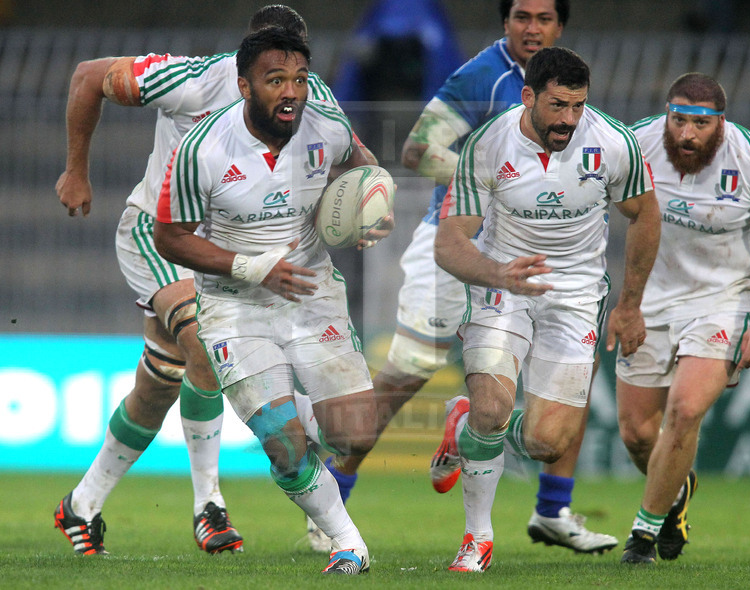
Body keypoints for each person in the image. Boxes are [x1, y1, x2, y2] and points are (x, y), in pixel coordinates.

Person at [318, 0, 618, 556]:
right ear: (505, 22)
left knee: (567, 373)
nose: (533, 28)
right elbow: (417, 149)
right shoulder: (482, 75)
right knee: (408, 369)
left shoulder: (570, 94)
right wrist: (494, 183)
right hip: (458, 241)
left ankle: (552, 509)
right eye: (522, 16)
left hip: (545, 256)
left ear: (560, 27)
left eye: (544, 19)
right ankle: (335, 493)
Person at [53, 4, 349, 556]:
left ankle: (82, 503)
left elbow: (348, 161)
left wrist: (364, 206)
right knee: (205, 346)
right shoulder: (194, 79)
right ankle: (208, 506)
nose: (289, 81)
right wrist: (76, 169)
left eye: (298, 66)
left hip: (233, 252)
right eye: (275, 64)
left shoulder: (314, 101)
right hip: (161, 236)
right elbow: (89, 75)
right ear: (246, 64)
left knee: (160, 383)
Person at [154, 26, 392, 575]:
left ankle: (297, 416)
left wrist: (370, 206)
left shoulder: (326, 126)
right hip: (234, 306)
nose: (291, 92)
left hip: (311, 293)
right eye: (276, 79)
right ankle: (348, 543)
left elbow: (362, 164)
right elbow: (170, 237)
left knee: (353, 434)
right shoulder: (202, 149)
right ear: (244, 86)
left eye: (300, 79)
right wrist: (250, 267)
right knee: (282, 443)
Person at [432, 47, 660, 572]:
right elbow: (450, 242)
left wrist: (630, 305)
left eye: (578, 106)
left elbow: (645, 215)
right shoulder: (487, 144)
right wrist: (498, 274)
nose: (569, 120)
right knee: (494, 407)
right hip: (502, 287)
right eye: (558, 106)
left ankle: (465, 424)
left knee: (546, 442)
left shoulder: (612, 143)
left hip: (577, 295)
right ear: (528, 96)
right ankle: (477, 539)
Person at [617, 73, 750, 564]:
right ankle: (676, 493)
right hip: (652, 297)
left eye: (700, 124)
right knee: (637, 434)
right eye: (678, 120)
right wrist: (625, 302)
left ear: (721, 122)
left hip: (726, 300)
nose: (686, 134)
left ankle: (642, 537)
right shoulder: (634, 144)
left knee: (685, 411)